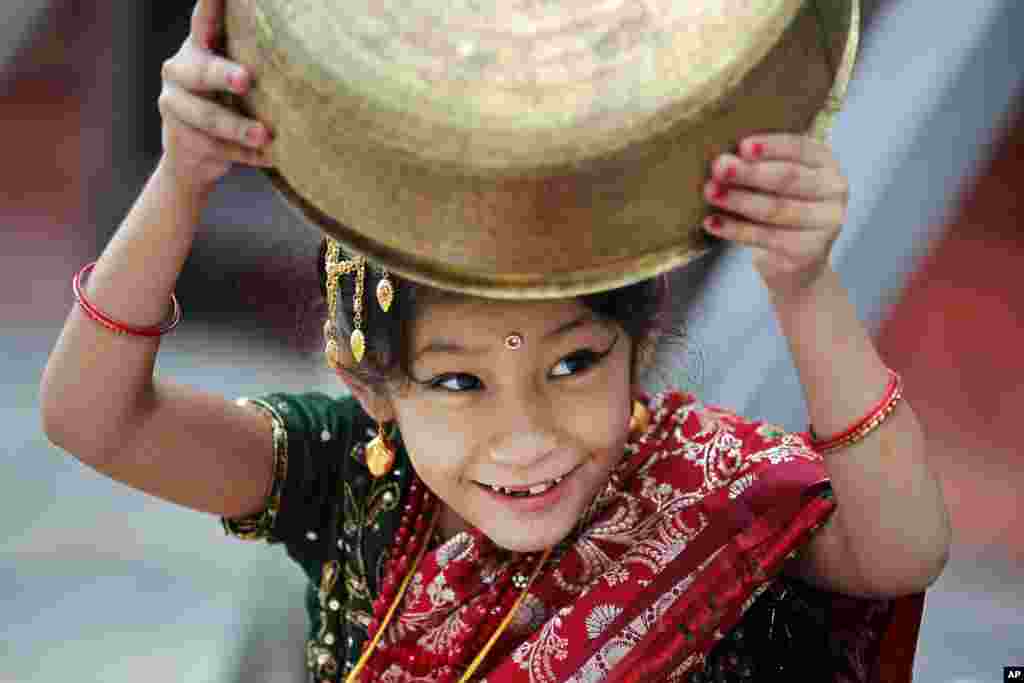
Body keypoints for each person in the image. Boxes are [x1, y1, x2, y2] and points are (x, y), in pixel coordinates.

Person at [39, 1, 952, 681]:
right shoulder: (356, 479)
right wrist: (182, 176)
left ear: (637, 350)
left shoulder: (702, 495)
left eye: (573, 363)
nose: (528, 434)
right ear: (372, 385)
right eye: (456, 383)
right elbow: (93, 418)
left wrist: (802, 285)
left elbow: (902, 547)